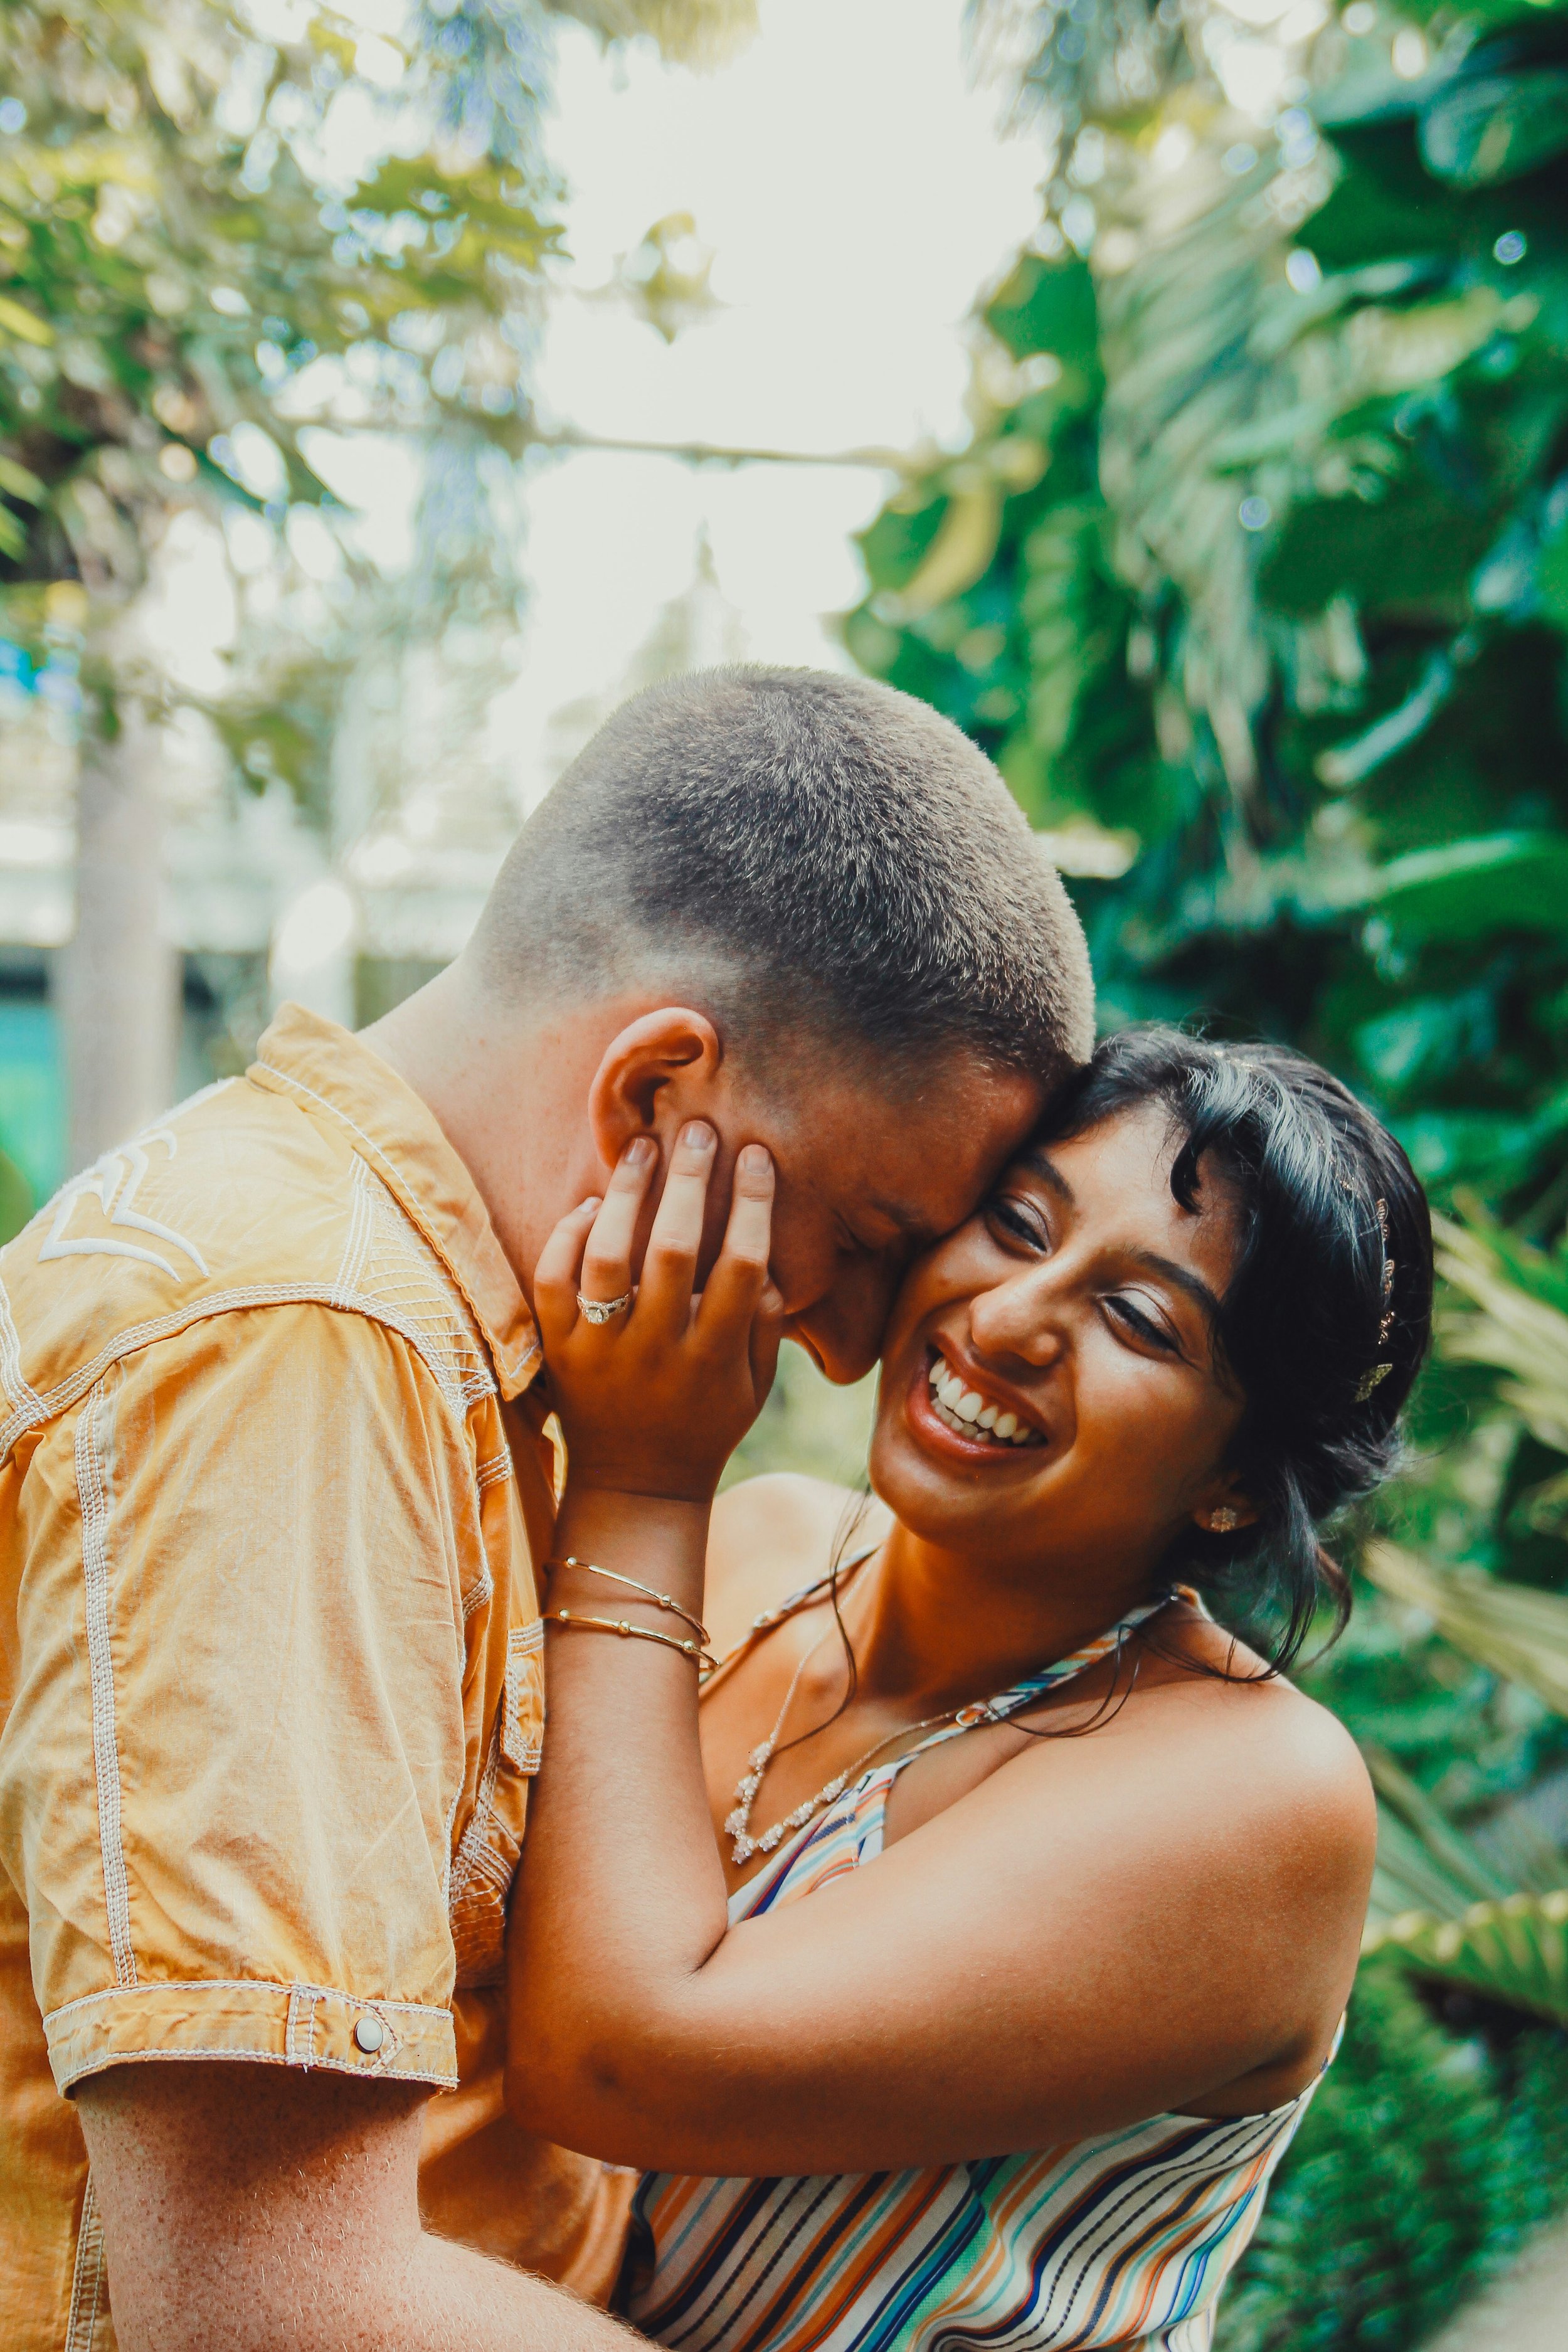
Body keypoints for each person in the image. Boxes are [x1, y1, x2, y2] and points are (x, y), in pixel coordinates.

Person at [0, 667, 1094, 2352]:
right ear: (656, 1093)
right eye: (866, 1233)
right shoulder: (306, 1340)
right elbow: (261, 2300)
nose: (853, 1335)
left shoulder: (425, 1330)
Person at [505, 1026, 1433, 2351]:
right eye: (1013, 1222)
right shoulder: (752, 1545)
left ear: (1236, 1481)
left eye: (1134, 1319)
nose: (1003, 1322)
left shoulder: (1255, 1792)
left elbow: (613, 2060)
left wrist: (642, 1480)